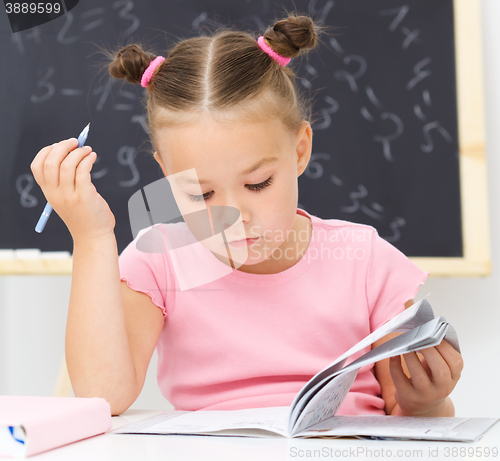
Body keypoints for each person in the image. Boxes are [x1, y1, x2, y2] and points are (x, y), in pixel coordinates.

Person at [30, 13, 463, 417]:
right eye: (199, 193)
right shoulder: (158, 261)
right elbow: (103, 398)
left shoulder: (364, 259)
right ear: (165, 175)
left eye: (257, 184)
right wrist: (91, 238)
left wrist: (427, 401)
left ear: (299, 150)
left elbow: (422, 419)